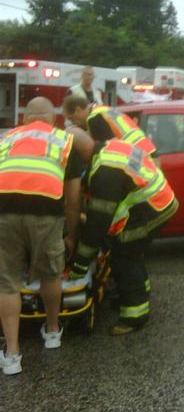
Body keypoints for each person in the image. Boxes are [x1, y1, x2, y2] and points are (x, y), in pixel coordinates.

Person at [0, 97, 83, 375]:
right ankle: (52, 331)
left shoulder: (6, 138)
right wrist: (70, 235)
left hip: (4, 212)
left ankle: (12, 354)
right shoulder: (63, 141)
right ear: (54, 119)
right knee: (50, 274)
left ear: (24, 119)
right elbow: (72, 200)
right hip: (46, 214)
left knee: (7, 282)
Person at [67, 132, 178, 335]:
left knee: (123, 256)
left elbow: (97, 224)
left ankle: (135, 316)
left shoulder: (105, 172)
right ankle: (138, 292)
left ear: (77, 154)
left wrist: (80, 264)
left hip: (151, 210)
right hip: (159, 201)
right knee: (132, 252)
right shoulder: (110, 146)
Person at [62, 95, 156, 155]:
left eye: (71, 118)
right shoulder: (103, 109)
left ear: (78, 110)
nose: (74, 123)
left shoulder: (93, 118)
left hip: (136, 155)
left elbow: (106, 151)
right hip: (146, 150)